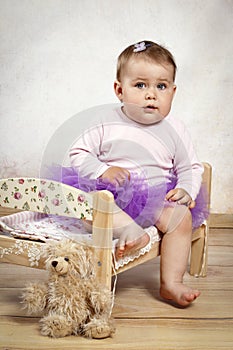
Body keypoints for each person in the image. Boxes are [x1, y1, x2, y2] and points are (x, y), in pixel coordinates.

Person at [59, 40, 209, 307]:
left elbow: (190, 167)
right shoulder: (105, 121)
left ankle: (171, 283)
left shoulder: (175, 128)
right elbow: (78, 153)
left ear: (173, 92)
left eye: (161, 86)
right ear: (120, 89)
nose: (151, 94)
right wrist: (103, 169)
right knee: (90, 209)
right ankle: (130, 229)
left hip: (156, 199)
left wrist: (187, 189)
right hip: (112, 197)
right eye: (140, 85)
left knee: (181, 219)